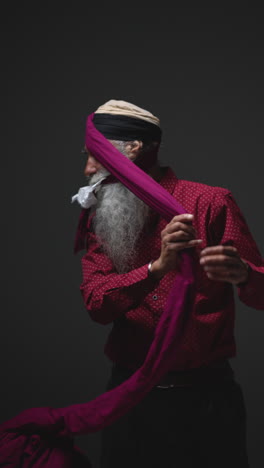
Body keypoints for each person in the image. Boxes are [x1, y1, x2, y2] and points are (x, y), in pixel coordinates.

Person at [73, 99, 264, 468]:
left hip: (207, 399)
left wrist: (242, 274)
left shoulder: (210, 201)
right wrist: (155, 268)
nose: (87, 168)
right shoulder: (103, 215)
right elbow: (97, 304)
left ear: (135, 148)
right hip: (131, 398)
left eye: (96, 155)